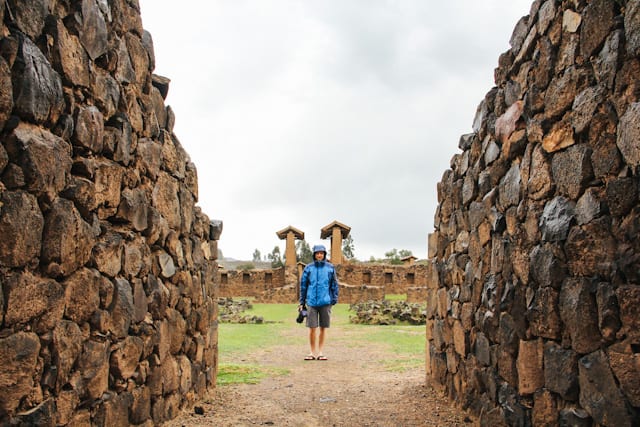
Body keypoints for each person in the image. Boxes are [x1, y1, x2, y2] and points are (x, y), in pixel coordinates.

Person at [298, 244, 339, 361]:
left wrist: (333, 299)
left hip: (325, 302)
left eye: (321, 253)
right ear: (314, 255)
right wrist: (302, 302)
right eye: (317, 253)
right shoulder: (308, 268)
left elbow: (334, 285)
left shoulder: (330, 268)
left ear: (324, 254)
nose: (319, 255)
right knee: (312, 328)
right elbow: (303, 286)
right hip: (311, 302)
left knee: (323, 328)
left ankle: (320, 352)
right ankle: (312, 352)